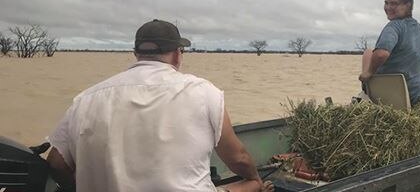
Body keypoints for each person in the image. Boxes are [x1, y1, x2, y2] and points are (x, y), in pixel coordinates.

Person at [47, 19, 274, 192]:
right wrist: (255, 179)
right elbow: (239, 158)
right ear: (177, 55)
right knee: (251, 185)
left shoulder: (86, 99)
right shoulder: (204, 92)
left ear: (136, 54)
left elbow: (56, 162)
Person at [359, 0, 420, 105]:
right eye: (386, 3)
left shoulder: (394, 27)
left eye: (394, 4)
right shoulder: (418, 27)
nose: (388, 7)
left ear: (408, 5)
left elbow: (381, 54)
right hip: (418, 93)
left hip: (397, 96)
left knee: (368, 53)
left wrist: (368, 73)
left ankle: (365, 89)